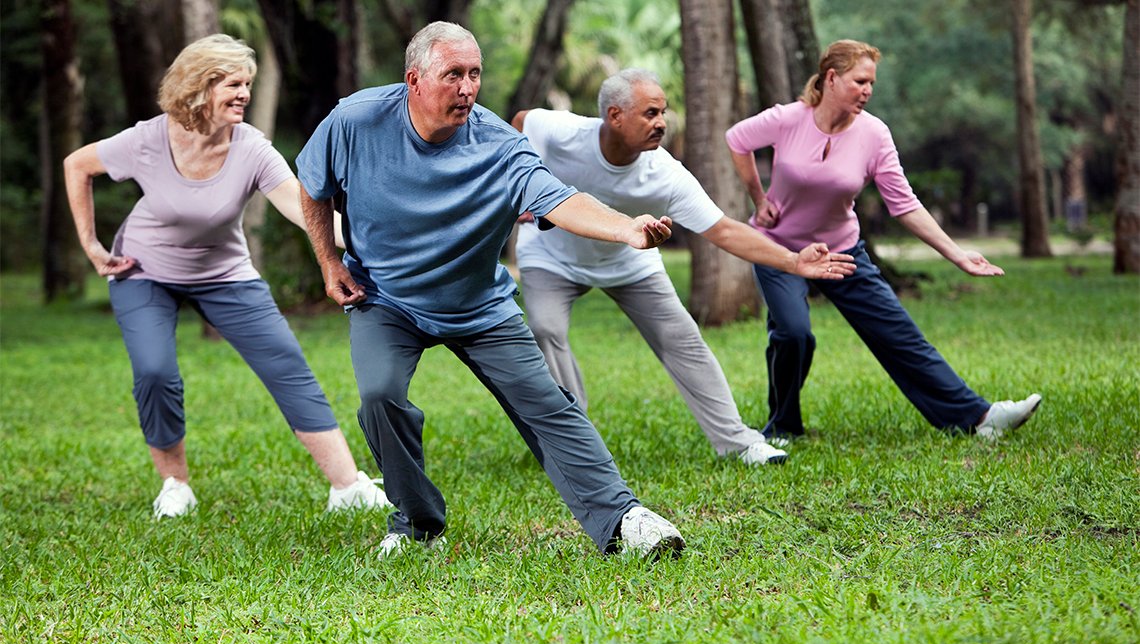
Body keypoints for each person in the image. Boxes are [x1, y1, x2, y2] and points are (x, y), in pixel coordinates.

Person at [296, 22, 686, 559]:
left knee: (549, 405)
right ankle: (416, 523)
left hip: (477, 304)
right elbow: (312, 185)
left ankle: (623, 519)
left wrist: (626, 228)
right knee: (379, 395)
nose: (467, 88)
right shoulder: (356, 121)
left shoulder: (500, 145)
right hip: (384, 296)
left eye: (475, 74)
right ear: (413, 79)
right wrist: (328, 261)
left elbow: (560, 198)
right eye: (453, 74)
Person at [63, 34, 390, 519]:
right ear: (199, 86)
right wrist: (91, 244)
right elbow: (77, 164)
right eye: (233, 84)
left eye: (248, 85)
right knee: (155, 372)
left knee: (287, 366)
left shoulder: (252, 149)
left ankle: (347, 485)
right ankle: (175, 484)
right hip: (144, 270)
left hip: (224, 273)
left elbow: (305, 210)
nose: (244, 94)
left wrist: (379, 239)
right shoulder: (148, 139)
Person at [510, 69, 857, 467]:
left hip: (629, 261)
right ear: (614, 115)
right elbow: (522, 121)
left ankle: (739, 442)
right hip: (551, 256)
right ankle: (574, 444)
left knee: (684, 340)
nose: (662, 123)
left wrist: (794, 261)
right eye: (650, 113)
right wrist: (522, 187)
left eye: (664, 112)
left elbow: (725, 231)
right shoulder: (563, 131)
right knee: (546, 329)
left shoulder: (665, 174)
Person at [724, 39, 1041, 444]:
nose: (868, 91)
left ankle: (980, 418)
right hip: (779, 249)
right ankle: (783, 426)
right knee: (793, 333)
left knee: (899, 335)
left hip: (842, 251)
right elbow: (737, 140)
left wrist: (957, 255)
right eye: (860, 81)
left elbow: (904, 204)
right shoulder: (788, 119)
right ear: (832, 78)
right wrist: (759, 198)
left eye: (872, 83)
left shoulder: (874, 134)